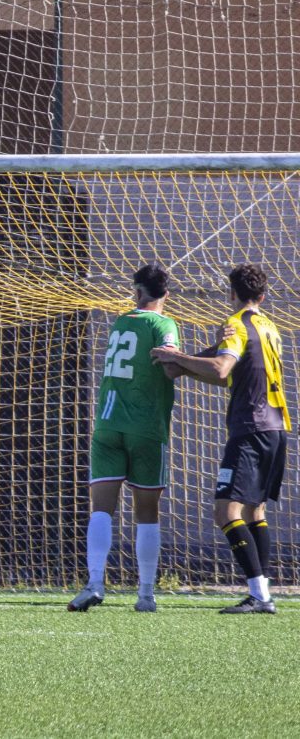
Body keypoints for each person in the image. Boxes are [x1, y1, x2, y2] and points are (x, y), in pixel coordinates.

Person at [152, 263, 289, 614]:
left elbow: (221, 368)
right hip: (276, 428)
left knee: (224, 510)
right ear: (263, 294)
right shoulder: (269, 326)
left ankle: (259, 596)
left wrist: (175, 358)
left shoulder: (236, 323)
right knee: (255, 510)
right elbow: (229, 369)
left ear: (231, 293)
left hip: (250, 428)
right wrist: (182, 365)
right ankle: (263, 593)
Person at [69, 263, 181, 613]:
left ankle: (94, 583)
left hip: (107, 424)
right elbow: (171, 364)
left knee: (101, 508)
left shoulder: (120, 323)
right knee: (146, 511)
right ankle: (146, 594)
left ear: (136, 292)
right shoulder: (164, 324)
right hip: (145, 427)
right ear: (166, 294)